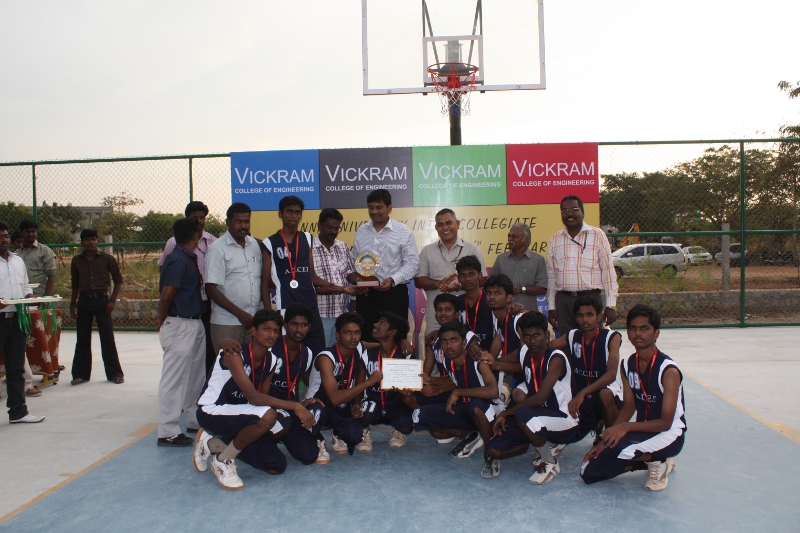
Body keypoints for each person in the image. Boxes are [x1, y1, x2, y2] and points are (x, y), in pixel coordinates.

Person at [581, 304, 686, 491]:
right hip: (643, 430)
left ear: (656, 333)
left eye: (645, 328)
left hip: (669, 434)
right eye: (633, 328)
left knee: (619, 447)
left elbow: (665, 423)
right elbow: (628, 407)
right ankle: (649, 461)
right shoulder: (628, 365)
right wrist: (605, 441)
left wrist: (624, 428)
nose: (638, 333)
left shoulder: (668, 371)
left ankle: (659, 459)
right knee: (588, 472)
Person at [193, 309, 284, 490]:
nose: (271, 334)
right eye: (266, 329)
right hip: (211, 411)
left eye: (275, 330)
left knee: (277, 465)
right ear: (253, 331)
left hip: (239, 415)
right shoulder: (234, 352)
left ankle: (212, 443)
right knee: (268, 416)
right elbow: (254, 397)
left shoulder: (272, 360)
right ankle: (222, 460)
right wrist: (296, 406)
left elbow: (262, 398)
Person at [488, 311, 577, 483]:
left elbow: (539, 398)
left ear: (546, 335)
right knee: (494, 449)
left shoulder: (556, 358)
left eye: (537, 335)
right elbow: (498, 362)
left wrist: (505, 413)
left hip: (564, 421)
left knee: (522, 414)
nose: (532, 340)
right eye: (527, 336)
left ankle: (549, 461)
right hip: (537, 418)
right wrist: (485, 359)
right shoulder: (524, 353)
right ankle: (542, 444)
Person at [413, 321, 499, 471]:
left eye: (454, 340)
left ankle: (491, 454)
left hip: (488, 409)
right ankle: (469, 434)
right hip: (465, 408)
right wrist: (432, 380)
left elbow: (493, 391)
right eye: (444, 342)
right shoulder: (448, 360)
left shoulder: (479, 360)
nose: (449, 346)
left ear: (464, 342)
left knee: (477, 406)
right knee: (419, 415)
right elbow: (455, 380)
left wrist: (459, 392)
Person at [264, 196, 340, 355]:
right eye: (289, 212)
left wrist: (341, 289)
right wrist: (268, 313)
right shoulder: (269, 242)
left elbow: (312, 275)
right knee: (285, 353)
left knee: (318, 351)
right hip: (285, 305)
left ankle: (315, 381)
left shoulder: (306, 238)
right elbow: (264, 282)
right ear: (280, 214)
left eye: (297, 212)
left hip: (309, 304)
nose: (293, 216)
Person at [155, 217, 208, 447]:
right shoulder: (177, 259)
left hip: (193, 322)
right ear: (195, 236)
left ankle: (194, 419)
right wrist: (162, 319)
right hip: (180, 322)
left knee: (195, 376)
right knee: (174, 379)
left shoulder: (186, 257)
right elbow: (167, 295)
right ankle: (167, 430)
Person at [306, 312, 383, 455]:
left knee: (355, 436)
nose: (353, 337)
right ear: (337, 335)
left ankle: (337, 433)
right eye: (347, 332)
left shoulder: (359, 348)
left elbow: (382, 346)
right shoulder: (326, 357)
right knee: (315, 413)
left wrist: (401, 342)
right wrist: (368, 382)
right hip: (319, 402)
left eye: (357, 332)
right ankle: (317, 439)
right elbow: (334, 398)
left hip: (342, 403)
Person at [548, 295, 622, 445]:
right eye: (580, 316)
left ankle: (613, 441)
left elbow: (611, 374)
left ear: (599, 317)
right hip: (581, 397)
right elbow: (544, 348)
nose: (585, 320)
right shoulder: (572, 335)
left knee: (605, 394)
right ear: (576, 318)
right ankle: (595, 425)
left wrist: (583, 392)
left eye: (590, 315)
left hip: (602, 392)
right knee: (568, 436)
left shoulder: (611, 337)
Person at [350, 189, 419, 342]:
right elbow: (355, 261)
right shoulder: (361, 231)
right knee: (367, 337)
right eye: (371, 207)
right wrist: (359, 281)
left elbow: (413, 264)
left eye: (379, 207)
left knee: (394, 339)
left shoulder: (403, 232)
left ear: (389, 208)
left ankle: (392, 366)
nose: (374, 211)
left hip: (393, 293)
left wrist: (393, 279)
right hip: (366, 294)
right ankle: (369, 366)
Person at [157, 201, 218, 374]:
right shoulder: (174, 245)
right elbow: (165, 273)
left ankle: (201, 391)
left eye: (202, 217)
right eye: (194, 218)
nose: (199, 221)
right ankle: (175, 399)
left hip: (206, 304)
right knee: (180, 359)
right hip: (182, 306)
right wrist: (162, 312)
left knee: (204, 351)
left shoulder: (213, 242)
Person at [546, 195, 618, 335]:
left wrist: (611, 305)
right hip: (564, 301)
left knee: (592, 344)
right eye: (565, 211)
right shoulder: (555, 239)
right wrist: (552, 307)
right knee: (566, 343)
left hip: (590, 299)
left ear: (582, 212)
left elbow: (608, 272)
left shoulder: (597, 235)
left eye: (574, 209)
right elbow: (551, 276)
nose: (569, 214)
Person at [265, 303, 327, 465]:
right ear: (285, 325)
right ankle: (253, 440)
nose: (299, 330)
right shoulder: (270, 347)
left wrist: (307, 401)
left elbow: (307, 382)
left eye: (304, 325)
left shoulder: (307, 353)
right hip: (263, 408)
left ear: (309, 327)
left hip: (288, 409)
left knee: (309, 456)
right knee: (280, 426)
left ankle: (276, 435)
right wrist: (296, 406)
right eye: (294, 324)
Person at [204, 203, 265, 356]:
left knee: (251, 367)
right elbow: (210, 289)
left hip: (252, 322)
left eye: (246, 221)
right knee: (228, 370)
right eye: (238, 221)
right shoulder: (217, 249)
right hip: (227, 323)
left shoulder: (255, 245)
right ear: (228, 222)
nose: (243, 226)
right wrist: (240, 314)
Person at [415, 209, 486, 335]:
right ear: (436, 227)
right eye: (440, 225)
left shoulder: (472, 249)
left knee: (469, 349)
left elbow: (482, 279)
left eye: (449, 223)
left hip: (467, 314)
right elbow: (419, 280)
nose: (445, 228)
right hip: (437, 316)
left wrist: (459, 286)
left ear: (457, 224)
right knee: (435, 349)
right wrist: (439, 284)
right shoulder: (427, 251)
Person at [0, 222, 45, 423]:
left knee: (16, 367)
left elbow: (24, 285)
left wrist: (29, 295)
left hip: (16, 318)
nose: (4, 240)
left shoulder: (17, 260)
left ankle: (18, 412)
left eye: (6, 236)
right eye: (0, 236)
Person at [69, 228, 124, 385]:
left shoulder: (107, 259)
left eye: (93, 239)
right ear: (82, 242)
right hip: (84, 301)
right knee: (82, 339)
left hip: (102, 301)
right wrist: (73, 304)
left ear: (97, 241)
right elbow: (75, 284)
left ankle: (115, 373)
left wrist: (112, 300)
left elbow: (118, 280)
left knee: (107, 338)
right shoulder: (76, 261)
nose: (90, 242)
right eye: (87, 240)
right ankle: (80, 374)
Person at [357, 311, 415, 451]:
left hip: (396, 402)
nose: (375, 324)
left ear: (392, 332)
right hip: (373, 401)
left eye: (381, 323)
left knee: (406, 426)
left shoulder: (406, 354)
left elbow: (413, 386)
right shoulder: (367, 354)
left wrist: (407, 392)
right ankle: (364, 430)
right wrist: (356, 405)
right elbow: (358, 386)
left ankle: (399, 431)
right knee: (364, 415)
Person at [313, 208, 359, 346]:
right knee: (320, 355)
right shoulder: (308, 247)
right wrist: (343, 289)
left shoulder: (342, 246)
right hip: (320, 314)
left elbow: (350, 273)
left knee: (337, 356)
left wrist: (364, 283)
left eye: (336, 228)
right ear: (319, 226)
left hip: (341, 313)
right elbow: (311, 282)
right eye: (329, 227)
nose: (333, 232)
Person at [491, 223, 547, 312]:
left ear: (526, 239)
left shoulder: (538, 260)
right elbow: (492, 285)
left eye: (514, 237)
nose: (510, 239)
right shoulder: (501, 259)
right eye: (509, 236)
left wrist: (521, 289)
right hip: (503, 313)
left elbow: (542, 288)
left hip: (527, 313)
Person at [454, 255, 494, 350]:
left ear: (480, 275)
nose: (467, 279)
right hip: (464, 356)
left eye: (471, 274)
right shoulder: (456, 302)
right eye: (463, 275)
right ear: (458, 278)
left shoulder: (491, 300)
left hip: (489, 354)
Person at [17, 219, 56, 298]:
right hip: (22, 298)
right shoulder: (17, 254)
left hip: (40, 297)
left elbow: (51, 276)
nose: (31, 234)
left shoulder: (45, 251)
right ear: (21, 233)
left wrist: (45, 298)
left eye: (33, 231)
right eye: (27, 231)